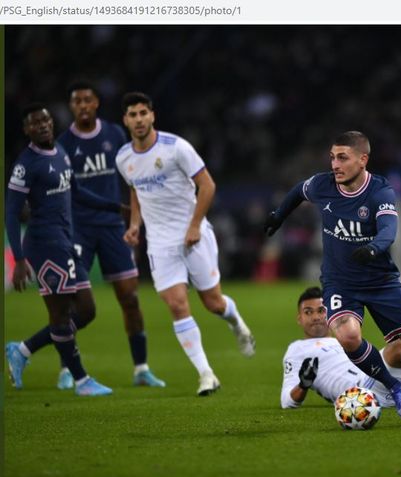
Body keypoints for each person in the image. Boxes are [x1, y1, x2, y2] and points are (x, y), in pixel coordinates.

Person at [266, 131, 401, 425]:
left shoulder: (380, 191)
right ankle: (394, 386)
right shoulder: (323, 185)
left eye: (342, 157)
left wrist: (372, 249)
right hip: (340, 282)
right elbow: (298, 191)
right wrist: (279, 215)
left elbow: (388, 232)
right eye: (332, 157)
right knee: (348, 335)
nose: (335, 164)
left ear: (362, 159)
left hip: (381, 281)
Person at [116, 92, 255, 396]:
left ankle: (237, 324)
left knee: (213, 304)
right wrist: (135, 225)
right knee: (177, 304)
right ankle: (206, 374)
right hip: (160, 244)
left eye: (143, 113)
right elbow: (136, 191)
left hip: (195, 235)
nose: (139, 119)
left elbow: (208, 185)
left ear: (152, 115)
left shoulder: (176, 147)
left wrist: (193, 224)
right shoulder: (123, 158)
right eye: (132, 115)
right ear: (125, 120)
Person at [45, 81, 164, 389]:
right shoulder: (63, 144)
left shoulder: (114, 134)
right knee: (73, 302)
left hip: (113, 227)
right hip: (78, 229)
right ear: (71, 107)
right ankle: (66, 368)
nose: (83, 105)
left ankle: (141, 368)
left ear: (96, 102)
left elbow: (132, 175)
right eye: (77, 101)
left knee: (130, 296)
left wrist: (134, 218)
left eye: (87, 100)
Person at [5, 104, 117, 396]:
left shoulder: (61, 153)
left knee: (88, 311)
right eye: (34, 123)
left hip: (66, 242)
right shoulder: (25, 165)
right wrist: (18, 259)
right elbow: (11, 212)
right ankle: (81, 381)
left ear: (52, 123)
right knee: (60, 315)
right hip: (43, 245)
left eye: (45, 120)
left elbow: (77, 192)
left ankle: (23, 350)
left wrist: (114, 205)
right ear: (26, 130)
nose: (42, 125)